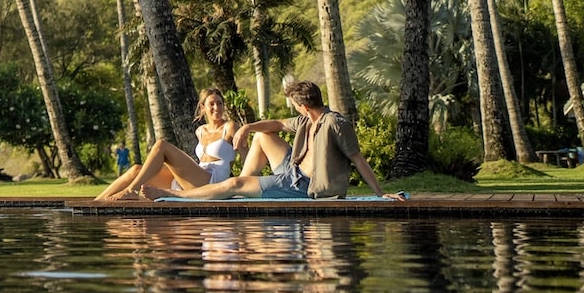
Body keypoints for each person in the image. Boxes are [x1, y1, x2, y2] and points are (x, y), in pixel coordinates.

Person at [139, 81, 403, 201]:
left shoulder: (335, 124)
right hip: (293, 168)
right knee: (264, 136)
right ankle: (242, 189)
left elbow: (357, 159)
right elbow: (276, 125)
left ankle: (175, 194)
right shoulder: (305, 120)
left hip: (301, 184)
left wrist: (380, 194)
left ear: (303, 106)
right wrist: (249, 127)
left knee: (234, 182)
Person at [94, 89, 240, 202]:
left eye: (220, 103)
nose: (217, 108)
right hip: (196, 177)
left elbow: (246, 155)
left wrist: (246, 185)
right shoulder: (200, 131)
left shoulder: (231, 127)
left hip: (212, 181)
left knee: (161, 146)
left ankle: (131, 190)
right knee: (135, 170)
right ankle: (95, 203)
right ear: (203, 107)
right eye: (212, 104)